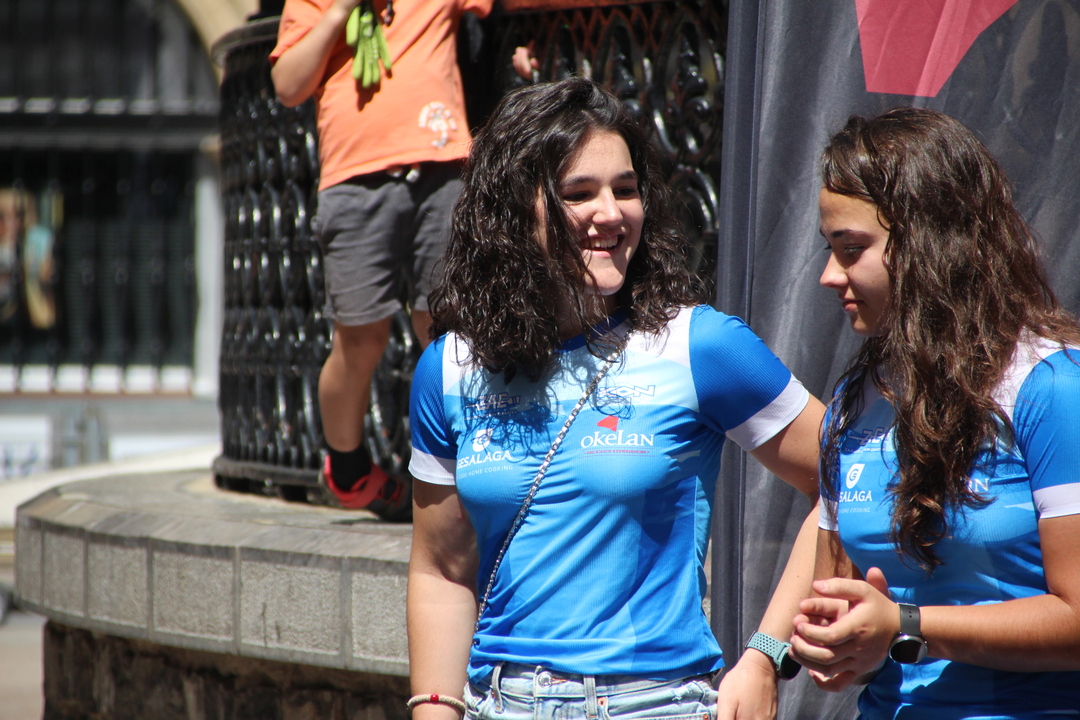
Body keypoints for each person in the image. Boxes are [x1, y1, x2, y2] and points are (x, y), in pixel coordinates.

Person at [406, 77, 825, 720]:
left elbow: (848, 478)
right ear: (514, 211)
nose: (611, 213)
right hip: (503, 703)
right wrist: (434, 711)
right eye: (579, 193)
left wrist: (767, 655)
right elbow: (441, 570)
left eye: (625, 190)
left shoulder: (700, 345)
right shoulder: (449, 368)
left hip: (655, 703)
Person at [791, 107, 1080, 718]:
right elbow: (844, 614)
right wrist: (835, 645)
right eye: (829, 249)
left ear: (929, 243)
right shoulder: (851, 404)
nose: (827, 276)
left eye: (851, 249)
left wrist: (908, 625)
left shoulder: (1052, 387)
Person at [269, 0, 493, 520]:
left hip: (441, 169)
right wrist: (339, 12)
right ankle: (347, 470)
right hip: (354, 182)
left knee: (446, 330)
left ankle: (463, 468)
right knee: (360, 338)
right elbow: (288, 85)